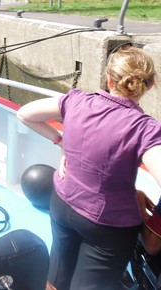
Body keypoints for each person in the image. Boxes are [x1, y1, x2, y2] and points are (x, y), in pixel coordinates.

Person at [17, 45, 161, 290]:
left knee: (57, 274)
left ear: (109, 78)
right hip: (107, 226)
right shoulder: (144, 128)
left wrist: (61, 140)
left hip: (63, 203)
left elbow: (25, 113)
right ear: (148, 85)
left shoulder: (76, 100)